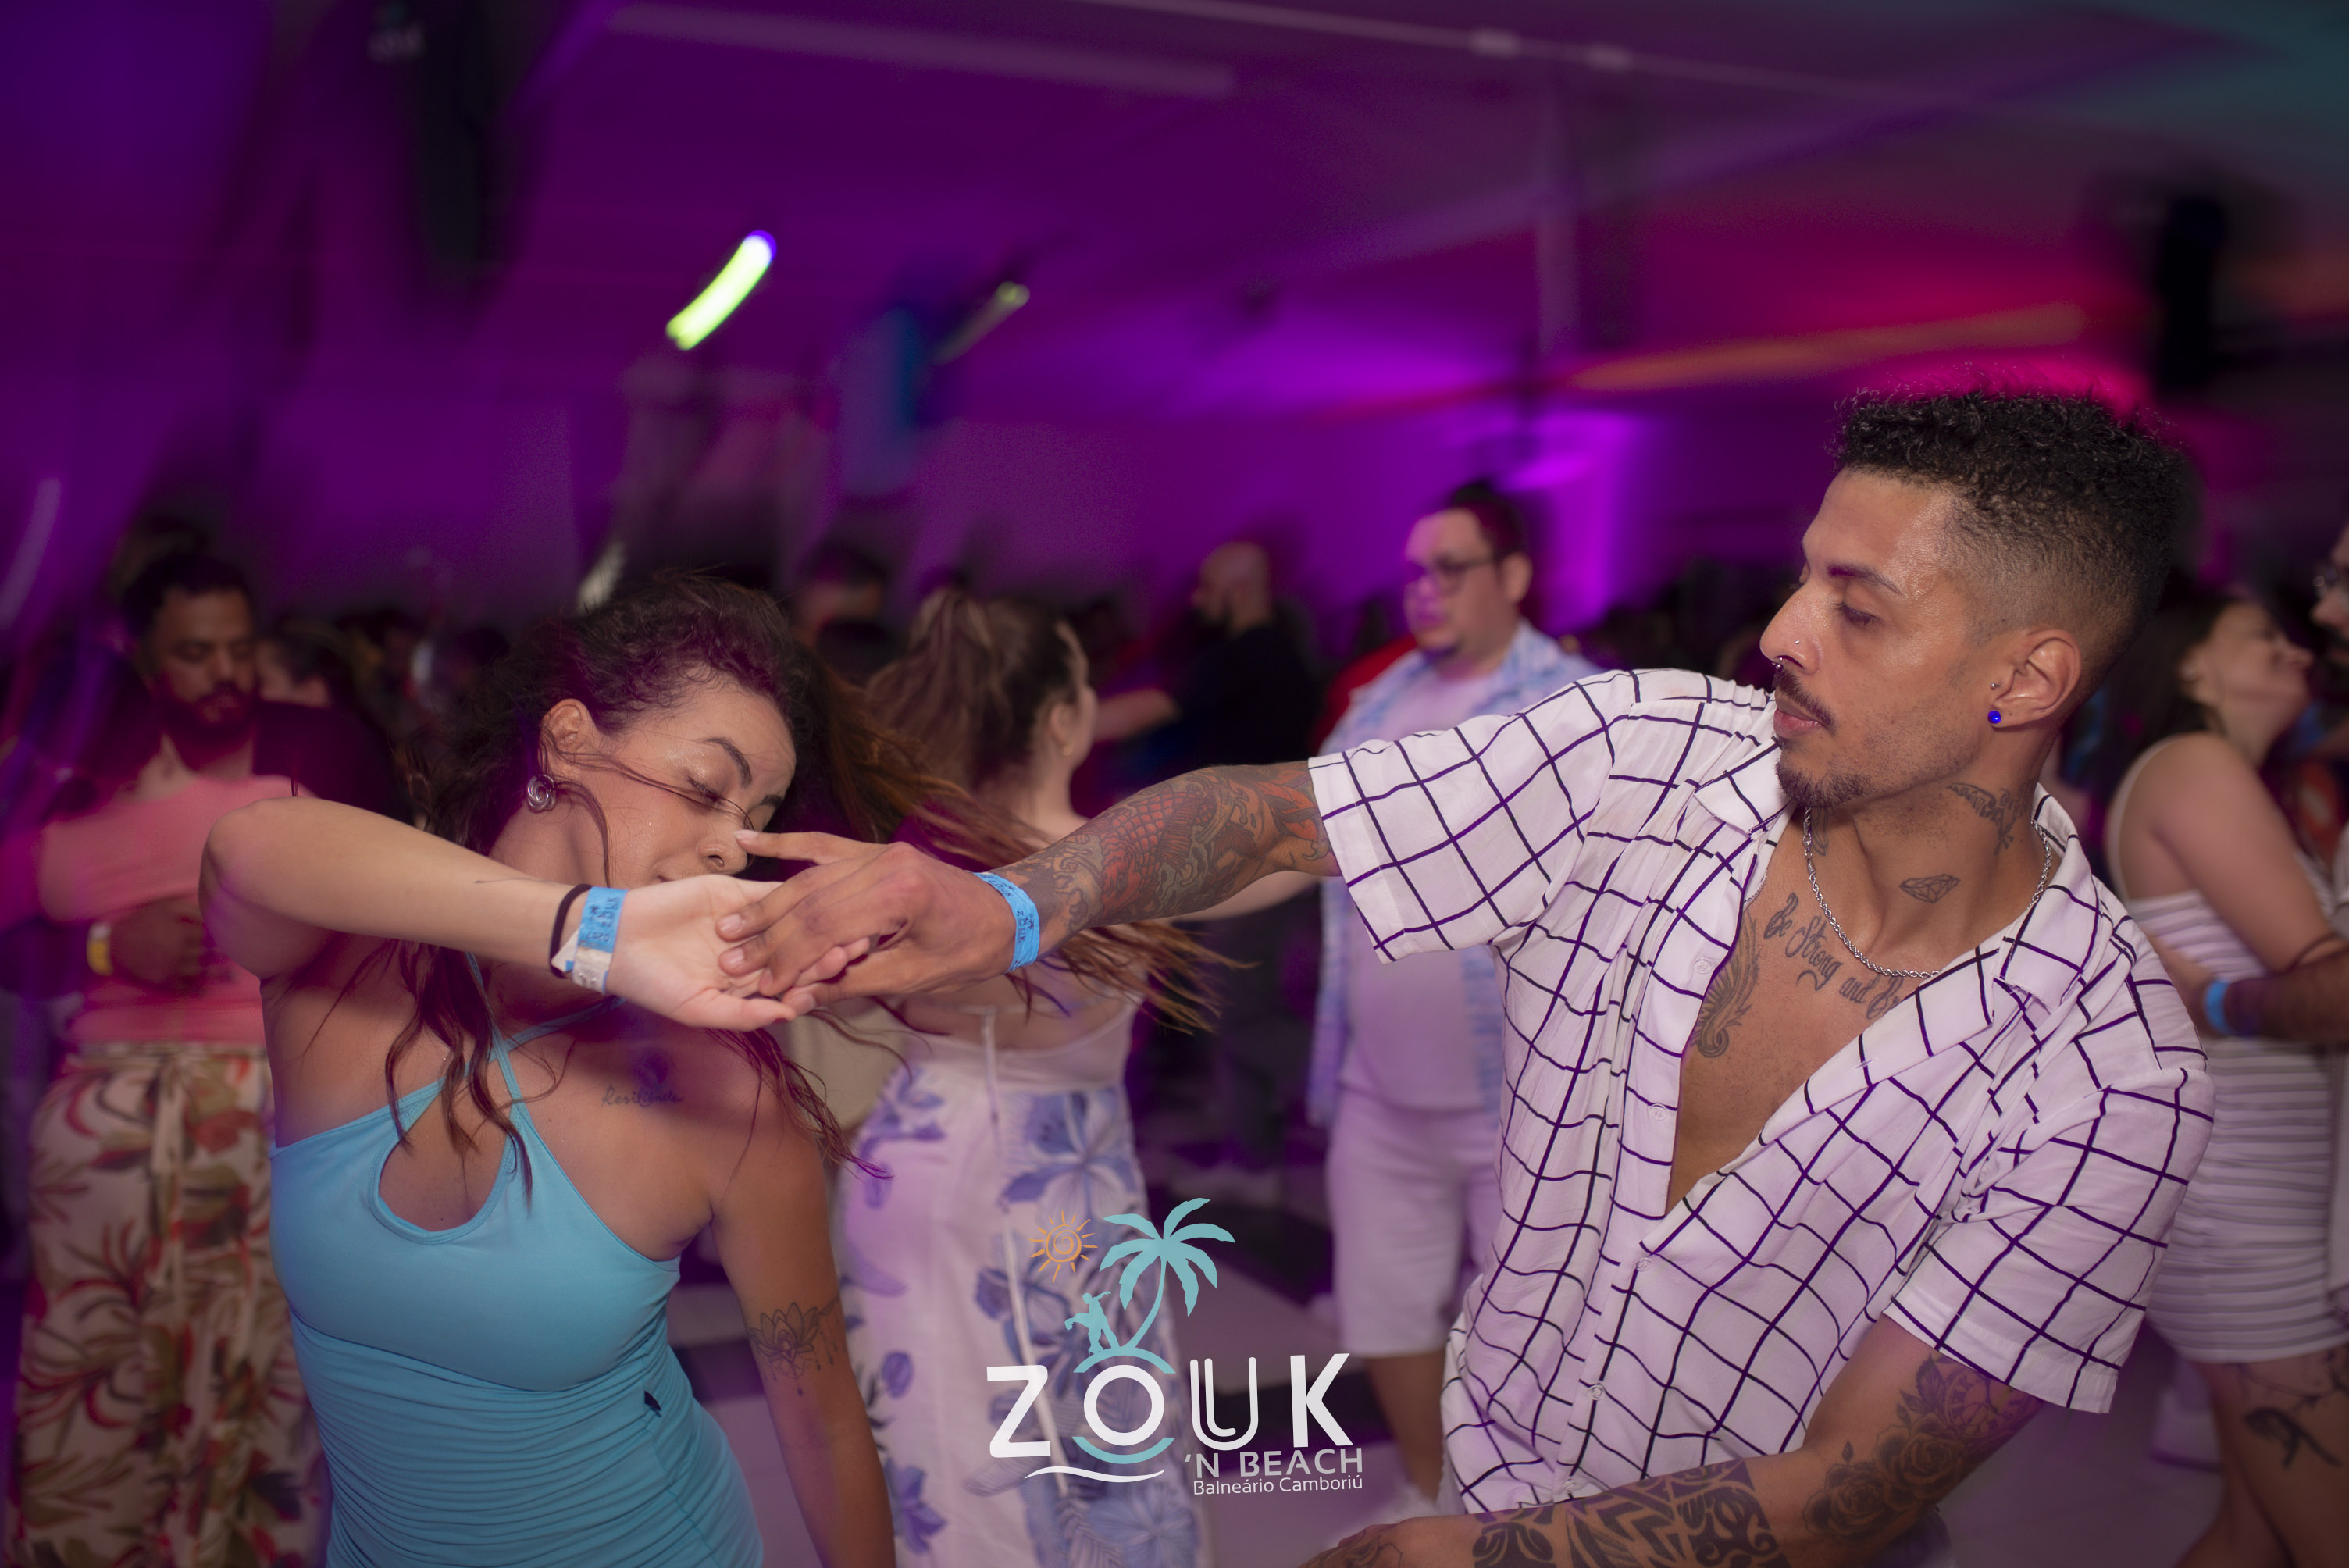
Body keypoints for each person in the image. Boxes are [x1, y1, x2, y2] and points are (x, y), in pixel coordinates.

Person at [725, 387, 2214, 1568]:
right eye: (1800, 580)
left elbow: (1847, 1489)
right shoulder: (1644, 753)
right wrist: (1004, 904)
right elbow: (1275, 815)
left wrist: (1471, 1554)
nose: (1779, 633)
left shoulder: (2110, 1081)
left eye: (1859, 606)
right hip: (1488, 1467)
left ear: (2024, 678)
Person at [195, 576, 893, 1568]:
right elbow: (244, 852)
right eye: (707, 787)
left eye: (755, 817)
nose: (728, 846)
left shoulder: (719, 1091)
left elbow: (821, 1426)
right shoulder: (341, 970)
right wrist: (592, 931)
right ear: (567, 741)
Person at [5, 552, 400, 1567]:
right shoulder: (92, 776)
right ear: (142, 660)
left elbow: (392, 906)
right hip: (114, 1122)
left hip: (262, 1110)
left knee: (252, 1372)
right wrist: (108, 947)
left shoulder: (315, 750)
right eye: (194, 653)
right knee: (110, 1366)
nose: (225, 673)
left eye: (238, 648)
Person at [829, 587, 1207, 1566]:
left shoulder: (921, 871)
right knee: (1083, 1448)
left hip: (910, 1153)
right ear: (1061, 720)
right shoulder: (1109, 869)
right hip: (1045, 1185)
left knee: (941, 1435)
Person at [1310, 483, 1595, 1532]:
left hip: (1522, 1099)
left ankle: (1517, 1523)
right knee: (1384, 1306)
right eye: (1412, 573)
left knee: (1532, 1335)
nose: (1423, 591)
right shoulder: (1374, 706)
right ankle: (1425, 1498)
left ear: (1512, 576)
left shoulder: (1578, 707)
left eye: (1449, 569)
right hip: (1379, 1085)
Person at [2086, 586, 2348, 1568]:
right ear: (2190, 663)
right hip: (2246, 1215)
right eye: (2259, 635)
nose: (2295, 648)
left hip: (2247, 1200)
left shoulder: (2200, 771)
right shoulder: (2195, 765)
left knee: (2254, 1537)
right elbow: (2324, 978)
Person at [1096, 540, 1322, 1203]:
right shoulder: (1275, 655)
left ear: (1240, 586)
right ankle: (1253, 1161)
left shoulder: (1252, 653)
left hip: (1261, 864)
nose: (1197, 600)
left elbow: (1155, 707)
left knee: (1236, 1014)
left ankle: (1351, 1087)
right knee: (1227, 1005)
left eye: (1208, 586)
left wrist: (1058, 727)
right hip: (1259, 858)